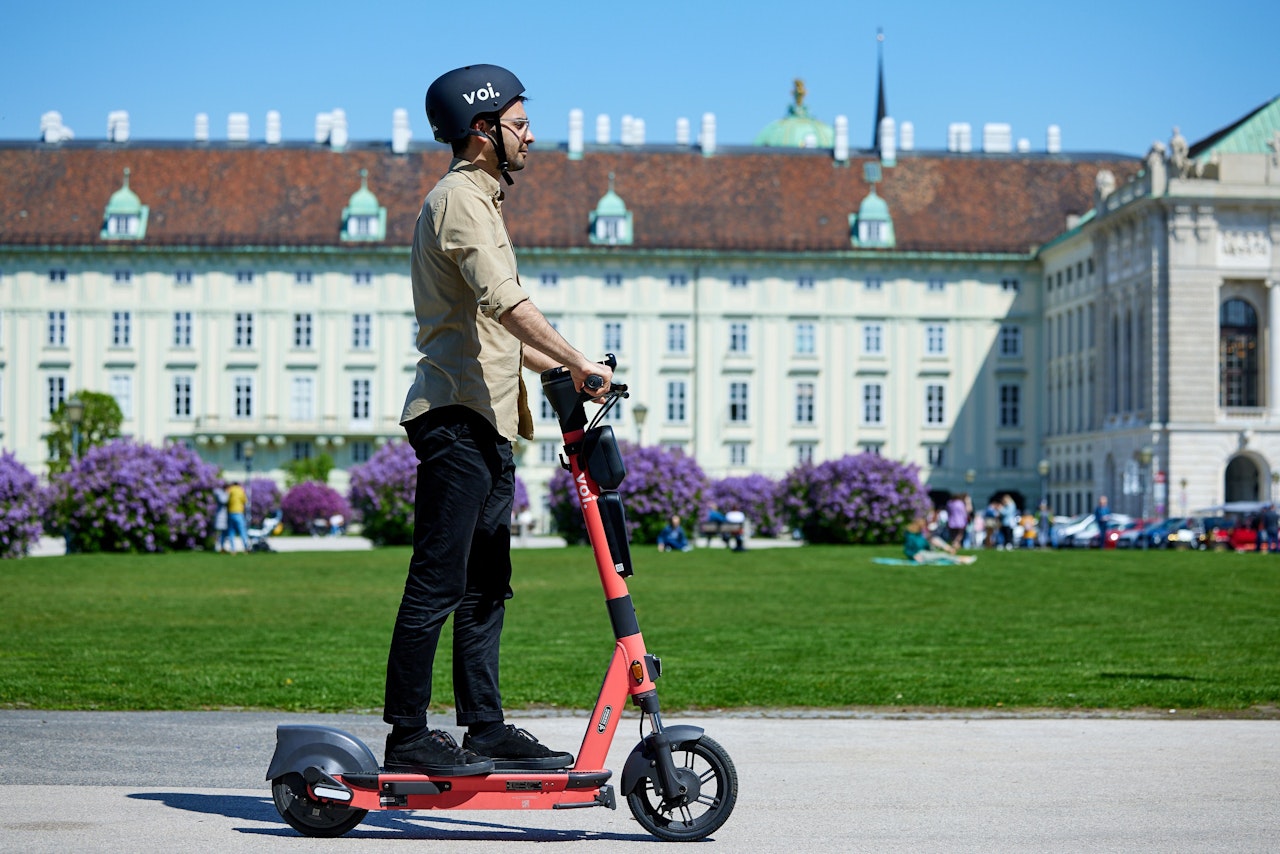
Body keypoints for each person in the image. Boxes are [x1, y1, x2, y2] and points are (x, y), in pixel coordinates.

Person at [382, 64, 613, 778]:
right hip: (453, 418)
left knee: (487, 583)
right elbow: (504, 304)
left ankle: (483, 727)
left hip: (488, 422)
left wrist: (556, 375)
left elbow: (503, 333)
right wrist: (576, 359)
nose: (531, 136)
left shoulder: (484, 200)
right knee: (438, 580)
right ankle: (408, 735)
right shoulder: (458, 201)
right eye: (519, 124)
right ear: (482, 132)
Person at [903, 518, 976, 565]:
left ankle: (952, 551)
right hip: (919, 554)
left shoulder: (919, 534)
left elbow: (926, 543)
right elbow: (908, 549)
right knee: (942, 555)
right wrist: (913, 556)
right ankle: (961, 560)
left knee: (935, 539)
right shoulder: (911, 536)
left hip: (925, 551)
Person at [226, 481, 250, 555]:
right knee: (242, 531)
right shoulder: (241, 490)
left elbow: (226, 500)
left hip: (230, 513)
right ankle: (246, 548)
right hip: (239, 513)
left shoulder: (230, 490)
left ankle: (233, 550)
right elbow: (245, 501)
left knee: (231, 532)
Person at [213, 483, 231, 554]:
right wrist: (228, 494)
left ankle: (222, 547)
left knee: (224, 534)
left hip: (224, 517)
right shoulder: (220, 494)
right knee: (218, 533)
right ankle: (216, 547)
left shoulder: (223, 493)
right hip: (220, 517)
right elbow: (223, 500)